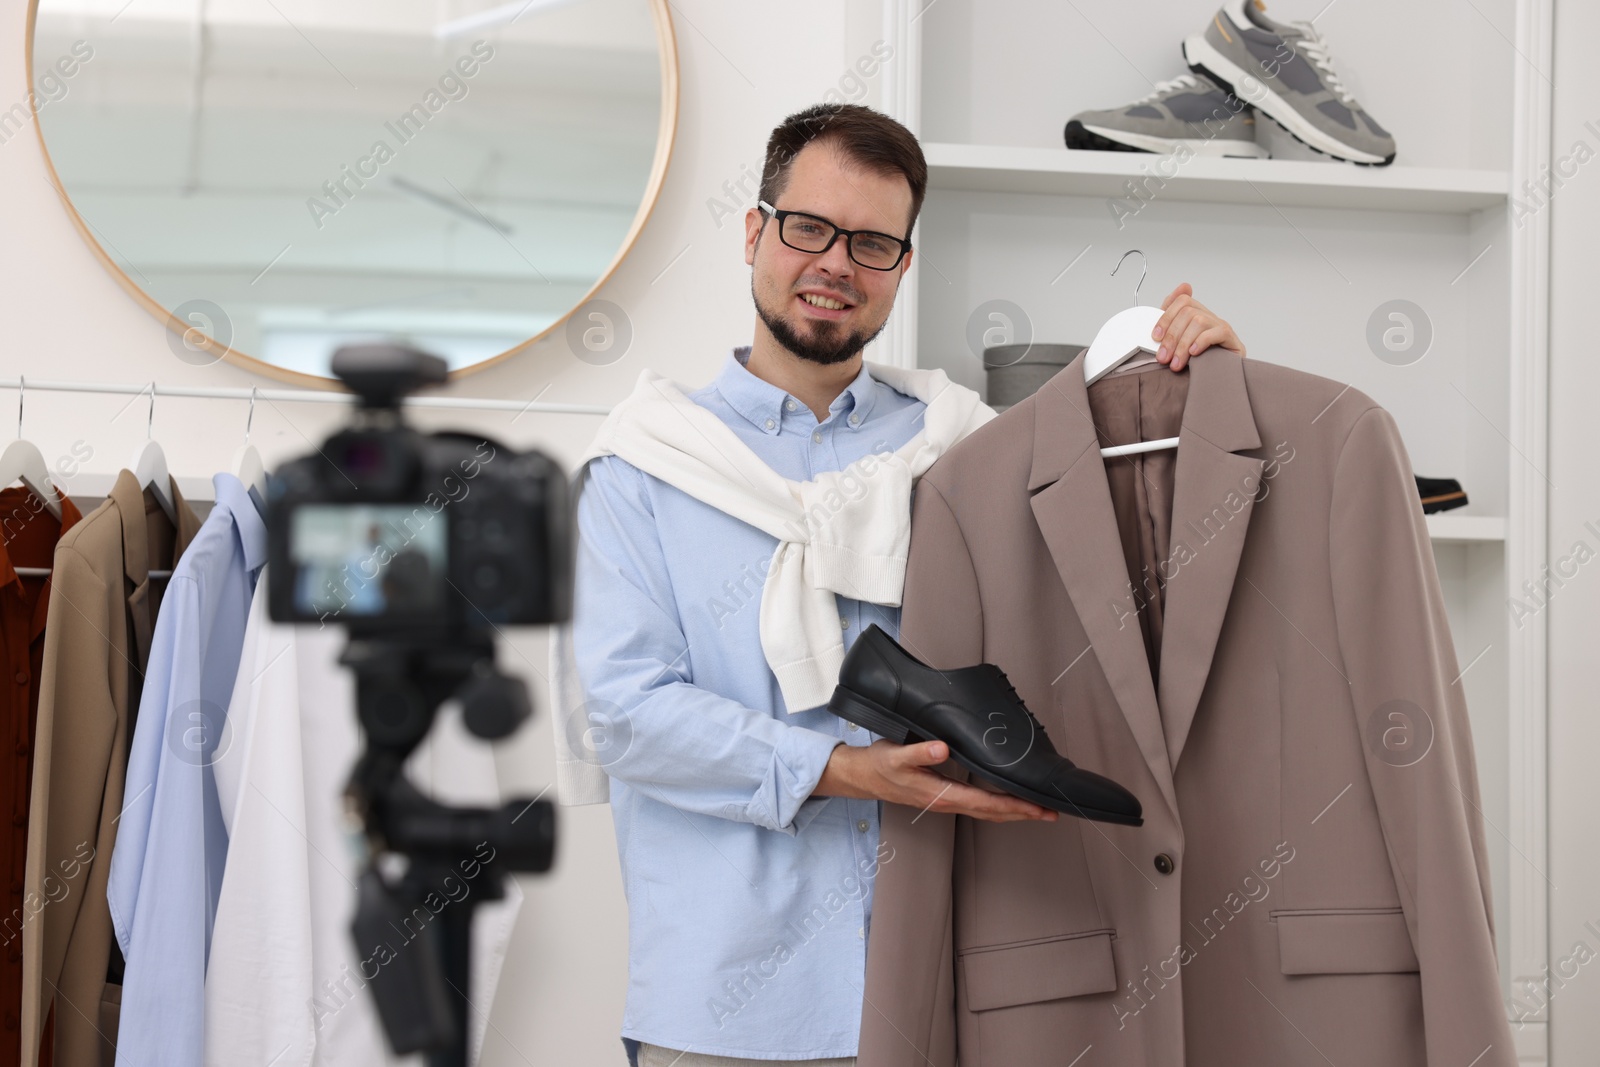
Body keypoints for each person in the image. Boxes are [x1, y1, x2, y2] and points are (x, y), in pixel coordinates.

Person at [568, 103, 1247, 1067]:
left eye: (874, 243)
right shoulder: (644, 467)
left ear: (902, 266)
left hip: (954, 984)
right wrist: (842, 771)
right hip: (727, 1007)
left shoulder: (968, 445)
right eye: (809, 228)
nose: (837, 263)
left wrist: (1213, 395)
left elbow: (1130, 588)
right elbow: (625, 711)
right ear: (755, 230)